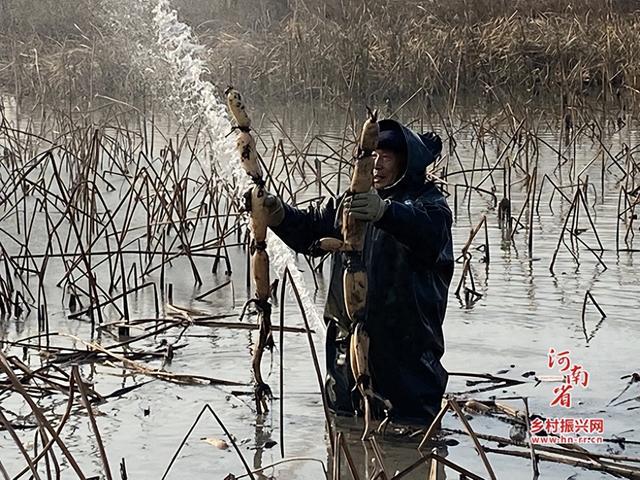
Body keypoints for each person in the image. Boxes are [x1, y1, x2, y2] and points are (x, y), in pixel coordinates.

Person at [261, 119, 453, 425]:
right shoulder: (349, 203)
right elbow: (311, 229)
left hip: (405, 352)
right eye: (372, 156)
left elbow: (427, 232)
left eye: (386, 157)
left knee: (410, 434)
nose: (376, 165)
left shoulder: (429, 205)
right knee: (345, 428)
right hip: (346, 347)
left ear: (406, 162)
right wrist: (279, 215)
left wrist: (384, 212)